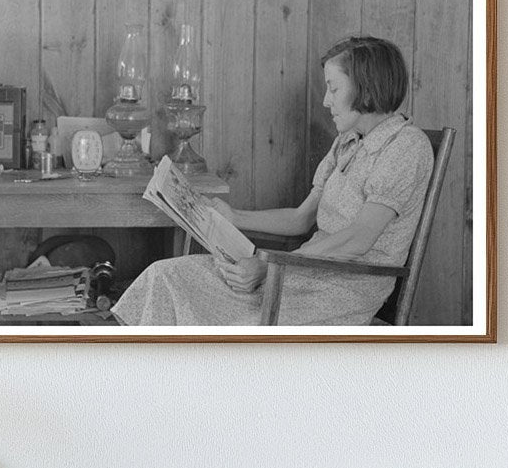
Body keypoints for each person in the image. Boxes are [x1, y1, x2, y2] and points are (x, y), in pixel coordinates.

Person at [112, 36, 435, 326]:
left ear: (366, 87)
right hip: (298, 271)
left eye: (334, 88)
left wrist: (270, 266)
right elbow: (300, 219)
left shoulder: (406, 146)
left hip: (341, 291)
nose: (325, 101)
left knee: (223, 318)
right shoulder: (349, 140)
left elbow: (358, 240)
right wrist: (234, 217)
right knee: (166, 276)